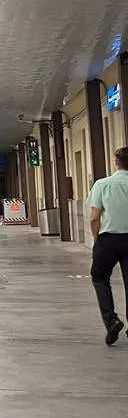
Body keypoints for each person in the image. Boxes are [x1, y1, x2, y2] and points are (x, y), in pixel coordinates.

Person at [87, 146, 128, 344]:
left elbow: (94, 217)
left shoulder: (103, 184)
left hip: (108, 239)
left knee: (100, 278)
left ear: (116, 163)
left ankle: (111, 321)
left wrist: (96, 239)